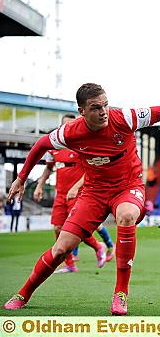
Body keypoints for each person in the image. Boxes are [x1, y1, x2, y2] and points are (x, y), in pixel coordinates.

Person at [3, 82, 160, 315]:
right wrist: (21, 178)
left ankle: (121, 294)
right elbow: (40, 145)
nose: (103, 112)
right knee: (61, 249)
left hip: (128, 188)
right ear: (82, 111)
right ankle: (24, 293)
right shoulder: (70, 132)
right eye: (96, 108)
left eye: (105, 105)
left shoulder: (124, 118)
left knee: (126, 216)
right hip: (94, 193)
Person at [33, 113, 111, 273]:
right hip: (60, 193)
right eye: (66, 125)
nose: (70, 128)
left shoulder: (83, 144)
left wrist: (75, 187)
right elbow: (48, 169)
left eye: (72, 125)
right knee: (57, 228)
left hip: (80, 193)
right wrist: (39, 185)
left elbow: (91, 169)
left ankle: (99, 246)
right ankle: (70, 264)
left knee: (75, 229)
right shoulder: (53, 146)